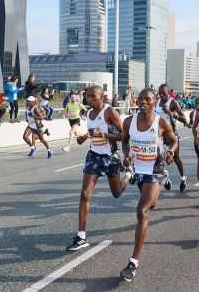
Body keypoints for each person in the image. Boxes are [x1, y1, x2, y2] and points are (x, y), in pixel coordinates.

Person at [119, 88, 178, 282]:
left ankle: (133, 263)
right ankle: (158, 190)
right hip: (138, 169)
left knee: (142, 210)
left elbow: (173, 140)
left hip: (155, 167)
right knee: (151, 204)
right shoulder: (129, 121)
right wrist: (126, 156)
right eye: (141, 98)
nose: (143, 101)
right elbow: (125, 141)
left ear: (154, 102)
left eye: (148, 99)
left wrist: (170, 152)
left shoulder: (161, 123)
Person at [66, 86, 126, 251]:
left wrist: (106, 136)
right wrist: (85, 137)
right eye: (88, 96)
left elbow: (124, 135)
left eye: (93, 96)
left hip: (110, 157)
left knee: (117, 193)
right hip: (93, 155)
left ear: (101, 97)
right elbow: (94, 132)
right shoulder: (89, 113)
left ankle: (127, 176)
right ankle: (81, 236)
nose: (90, 99)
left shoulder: (110, 112)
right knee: (85, 194)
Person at [155, 84, 190, 192]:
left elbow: (185, 119)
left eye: (164, 94)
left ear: (169, 93)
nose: (162, 96)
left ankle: (183, 178)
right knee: (158, 159)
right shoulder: (157, 102)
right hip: (159, 136)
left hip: (171, 136)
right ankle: (165, 177)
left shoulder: (173, 102)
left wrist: (171, 113)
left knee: (173, 159)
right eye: (160, 94)